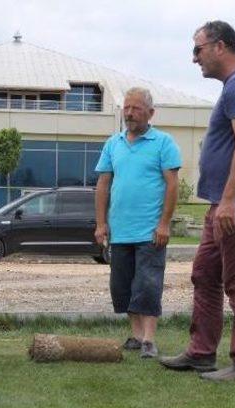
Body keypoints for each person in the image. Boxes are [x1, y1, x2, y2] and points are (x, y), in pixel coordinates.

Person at [159, 21, 235, 381]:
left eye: (198, 49)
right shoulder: (234, 86)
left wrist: (228, 200)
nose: (194, 59)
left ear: (220, 46)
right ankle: (201, 353)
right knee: (204, 274)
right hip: (222, 204)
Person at [94, 87, 181, 358]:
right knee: (123, 286)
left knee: (148, 285)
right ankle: (135, 335)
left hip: (150, 231)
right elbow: (103, 185)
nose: (130, 113)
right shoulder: (113, 144)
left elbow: (172, 185)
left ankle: (149, 340)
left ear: (150, 113)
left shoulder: (164, 143)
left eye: (137, 109)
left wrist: (164, 224)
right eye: (127, 108)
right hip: (119, 231)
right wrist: (100, 224)